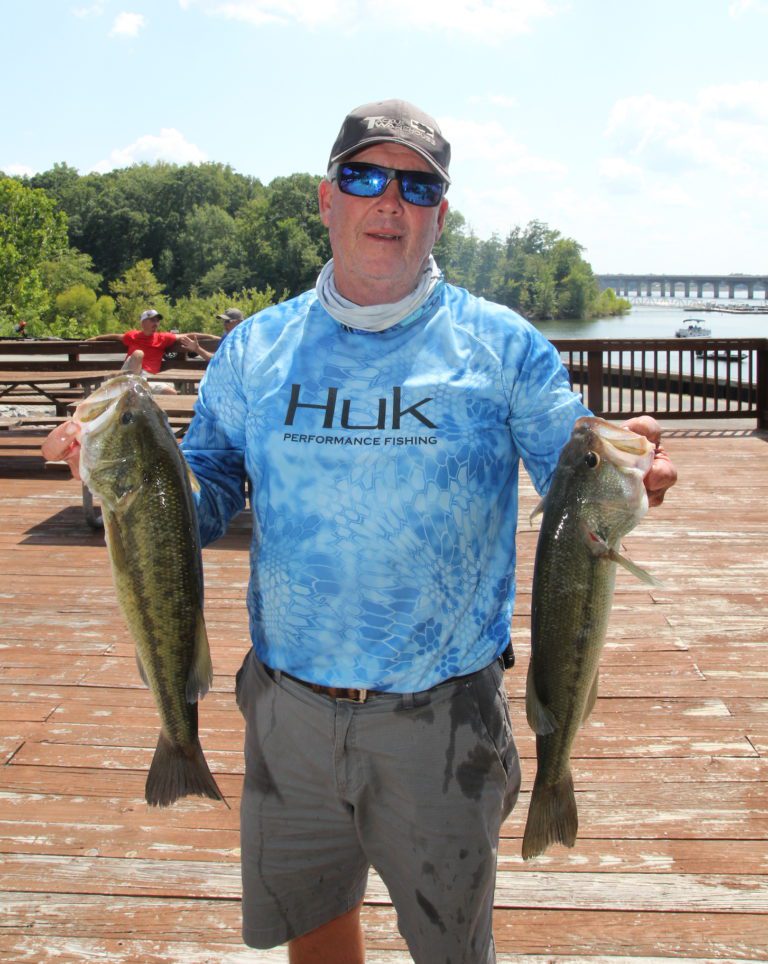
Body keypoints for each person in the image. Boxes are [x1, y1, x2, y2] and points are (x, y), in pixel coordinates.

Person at [45, 100, 677, 963]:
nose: (389, 201)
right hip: (287, 712)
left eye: (416, 186)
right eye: (365, 176)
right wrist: (119, 474)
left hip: (444, 720)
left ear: (441, 214)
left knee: (453, 950)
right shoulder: (255, 348)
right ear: (326, 198)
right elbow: (205, 497)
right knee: (315, 939)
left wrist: (635, 474)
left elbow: (576, 482)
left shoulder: (504, 348)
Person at [90, 308, 195, 394]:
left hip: (147, 379)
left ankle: (133, 392)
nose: (156, 323)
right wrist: (95, 338)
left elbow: (188, 335)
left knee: (171, 393)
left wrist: (206, 336)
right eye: (152, 320)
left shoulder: (163, 337)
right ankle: (132, 389)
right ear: (143, 323)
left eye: (157, 321)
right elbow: (115, 336)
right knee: (138, 353)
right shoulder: (132, 335)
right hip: (128, 375)